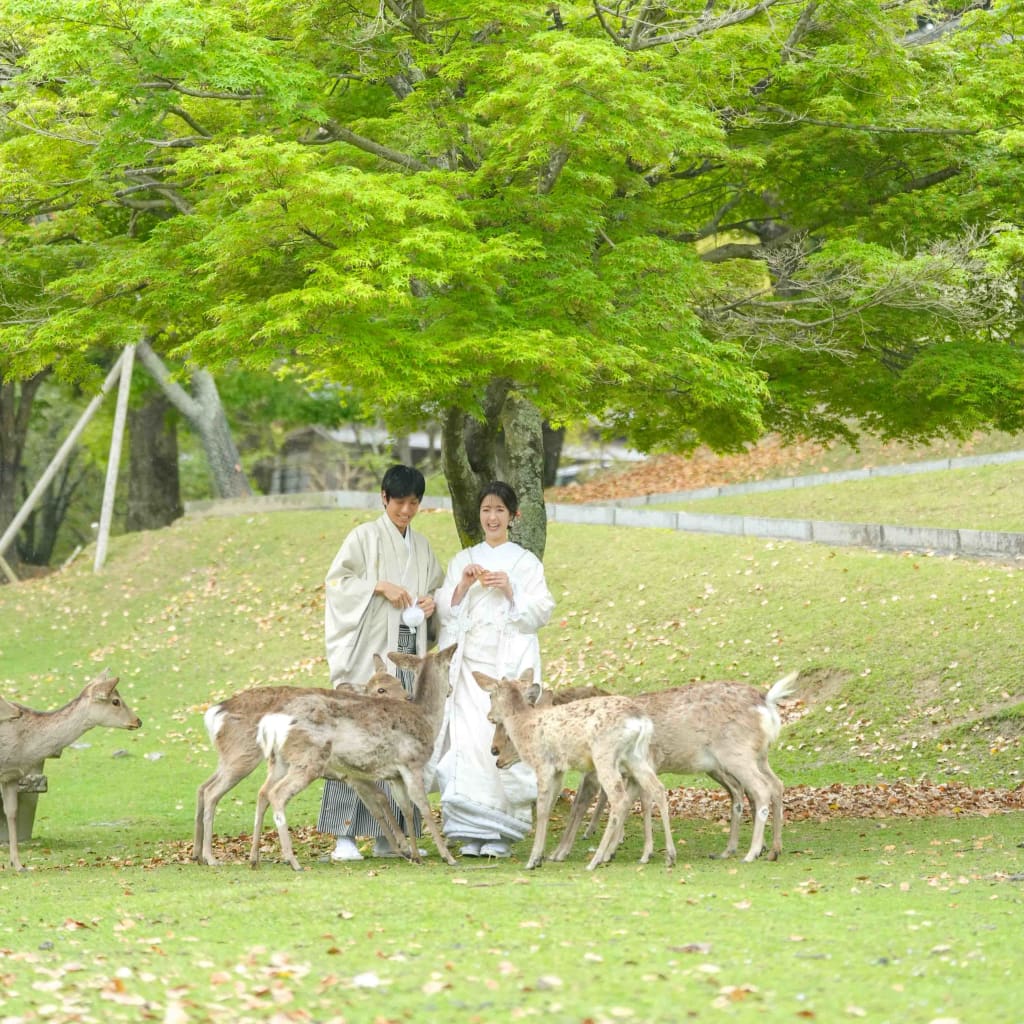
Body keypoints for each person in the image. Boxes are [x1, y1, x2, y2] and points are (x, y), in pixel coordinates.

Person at [317, 463, 444, 860]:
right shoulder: (364, 537)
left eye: (413, 504)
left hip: (405, 658)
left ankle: (393, 836)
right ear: (383, 499)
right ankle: (345, 836)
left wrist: (430, 603)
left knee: (399, 745)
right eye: (399, 503)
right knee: (353, 742)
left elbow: (437, 588)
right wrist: (377, 586)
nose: (406, 511)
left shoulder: (422, 547)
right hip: (368, 656)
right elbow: (337, 583)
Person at [432, 481, 555, 858]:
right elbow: (445, 612)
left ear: (513, 517)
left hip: (506, 669)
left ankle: (500, 833)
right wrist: (464, 587)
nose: (492, 517)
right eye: (486, 510)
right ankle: (469, 830)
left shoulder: (525, 563)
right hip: (471, 668)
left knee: (502, 744)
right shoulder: (463, 558)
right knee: (469, 744)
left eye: (500, 510)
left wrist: (510, 590)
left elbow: (542, 610)